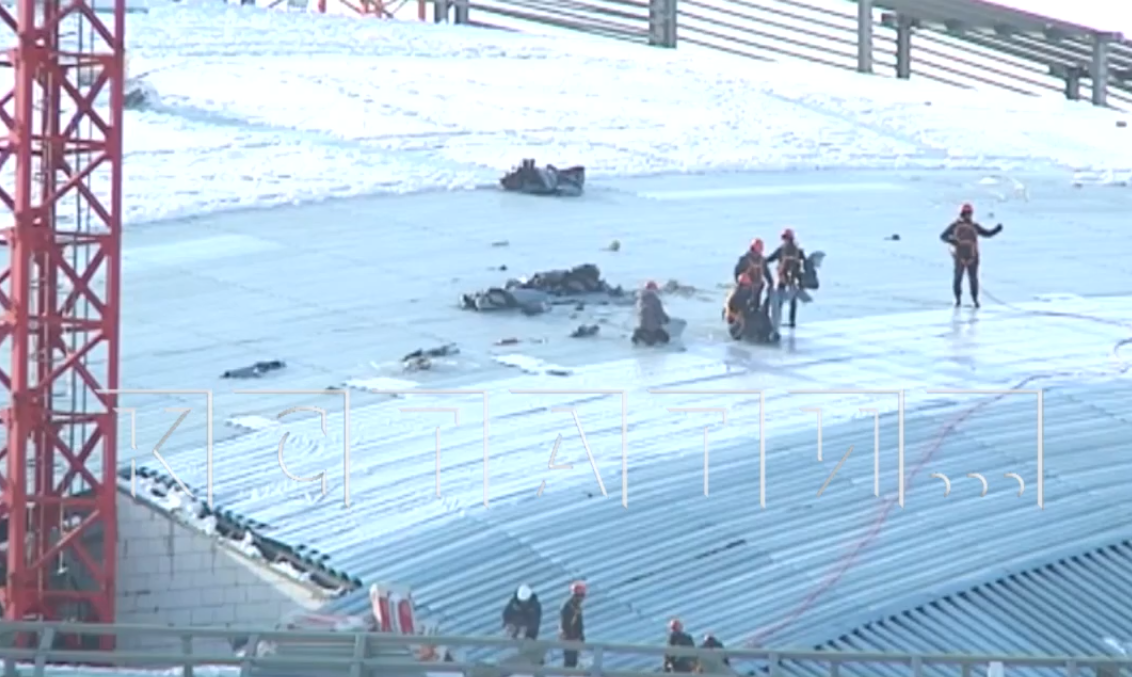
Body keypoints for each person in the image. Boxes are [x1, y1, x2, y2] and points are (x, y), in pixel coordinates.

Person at [939, 202, 1003, 308]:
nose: (968, 215)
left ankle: (974, 299)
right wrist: (952, 241)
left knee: (972, 278)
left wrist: (997, 230)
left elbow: (987, 233)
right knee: (959, 278)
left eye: (969, 213)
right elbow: (942, 236)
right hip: (961, 257)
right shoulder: (957, 226)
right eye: (966, 213)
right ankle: (958, 299)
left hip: (972, 257)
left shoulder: (970, 226)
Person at [766, 228, 806, 328]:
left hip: (786, 278)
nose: (785, 240)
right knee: (789, 300)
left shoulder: (782, 250)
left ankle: (782, 320)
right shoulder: (796, 251)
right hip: (789, 278)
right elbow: (806, 264)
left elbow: (769, 259)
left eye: (785, 238)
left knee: (783, 300)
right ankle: (789, 321)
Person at [732, 239, 773, 309]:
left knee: (756, 306)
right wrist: (740, 282)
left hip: (758, 288)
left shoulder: (762, 260)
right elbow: (737, 272)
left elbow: (767, 273)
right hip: (746, 289)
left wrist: (771, 284)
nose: (761, 249)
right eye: (760, 247)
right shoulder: (744, 259)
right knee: (744, 306)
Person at [632, 281, 670, 346]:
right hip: (653, 329)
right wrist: (666, 319)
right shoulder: (655, 300)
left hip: (643, 326)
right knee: (666, 339)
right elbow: (660, 314)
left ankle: (639, 334)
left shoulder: (640, 299)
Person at [559, 581, 586, 668]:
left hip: (575, 640)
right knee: (569, 664)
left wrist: (581, 638)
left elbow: (579, 625)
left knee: (574, 664)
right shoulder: (568, 607)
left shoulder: (576, 606)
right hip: (569, 640)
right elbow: (565, 626)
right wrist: (574, 639)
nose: (582, 598)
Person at [724, 274, 758, 341]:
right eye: (746, 286)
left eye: (748, 286)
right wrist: (738, 317)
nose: (748, 288)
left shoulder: (747, 293)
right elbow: (729, 311)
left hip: (742, 318)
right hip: (735, 323)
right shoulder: (734, 297)